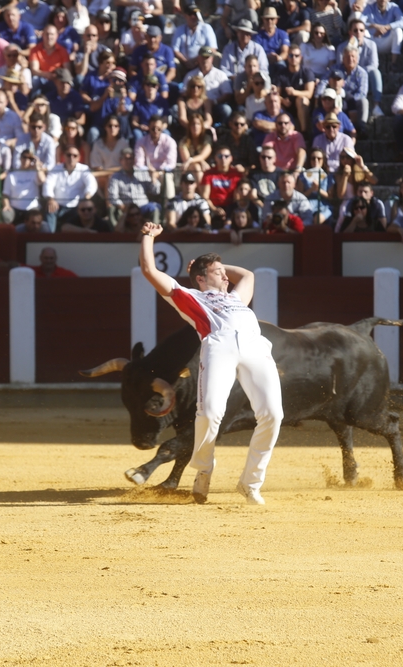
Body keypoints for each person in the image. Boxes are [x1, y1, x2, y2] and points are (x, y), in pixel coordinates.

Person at [138, 223, 283, 505]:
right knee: (210, 411)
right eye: (219, 273)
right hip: (219, 346)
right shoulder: (190, 296)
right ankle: (204, 468)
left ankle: (250, 483)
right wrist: (148, 237)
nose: (227, 277)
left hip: (256, 348)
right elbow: (148, 270)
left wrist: (215, 264)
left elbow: (249, 275)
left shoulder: (236, 298)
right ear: (201, 279)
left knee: (273, 415)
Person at [43, 145, 98, 228]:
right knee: (49, 209)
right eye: (68, 155)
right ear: (64, 156)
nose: (71, 158)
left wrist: (86, 198)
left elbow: (92, 184)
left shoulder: (84, 169)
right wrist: (51, 199)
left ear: (79, 158)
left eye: (75, 156)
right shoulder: (56, 169)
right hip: (57, 205)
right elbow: (48, 184)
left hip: (76, 207)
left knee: (85, 211)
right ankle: (51, 238)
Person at [108, 147, 162, 226]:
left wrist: (153, 178)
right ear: (121, 160)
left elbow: (155, 191)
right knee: (113, 210)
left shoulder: (142, 173)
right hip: (126, 207)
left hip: (142, 205)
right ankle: (117, 235)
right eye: (126, 159)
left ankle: (154, 233)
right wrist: (123, 206)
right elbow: (112, 197)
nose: (129, 161)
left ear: (134, 160)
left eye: (131, 158)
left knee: (155, 208)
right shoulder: (116, 176)